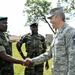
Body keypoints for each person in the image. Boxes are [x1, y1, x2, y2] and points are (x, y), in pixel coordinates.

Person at [24, 7, 75, 75]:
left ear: (58, 18)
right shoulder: (57, 34)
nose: (50, 21)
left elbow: (73, 59)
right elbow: (48, 54)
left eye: (51, 18)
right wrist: (32, 61)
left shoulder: (70, 32)